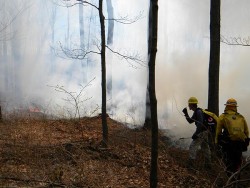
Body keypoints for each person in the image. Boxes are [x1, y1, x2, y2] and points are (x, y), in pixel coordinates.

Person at [215, 98, 249, 176]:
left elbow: (218, 131)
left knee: (229, 162)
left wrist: (217, 142)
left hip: (228, 143)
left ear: (227, 106)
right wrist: (247, 140)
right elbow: (246, 131)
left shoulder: (223, 116)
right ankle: (237, 179)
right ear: (235, 106)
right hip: (240, 143)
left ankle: (229, 179)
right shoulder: (241, 117)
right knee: (237, 162)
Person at [182, 97, 212, 169]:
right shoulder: (197, 111)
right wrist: (186, 113)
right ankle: (208, 165)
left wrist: (196, 133)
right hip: (205, 131)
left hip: (202, 132)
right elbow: (190, 121)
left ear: (192, 104)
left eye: (189, 104)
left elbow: (200, 123)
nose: (188, 105)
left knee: (192, 146)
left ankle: (190, 165)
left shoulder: (198, 112)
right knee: (205, 148)